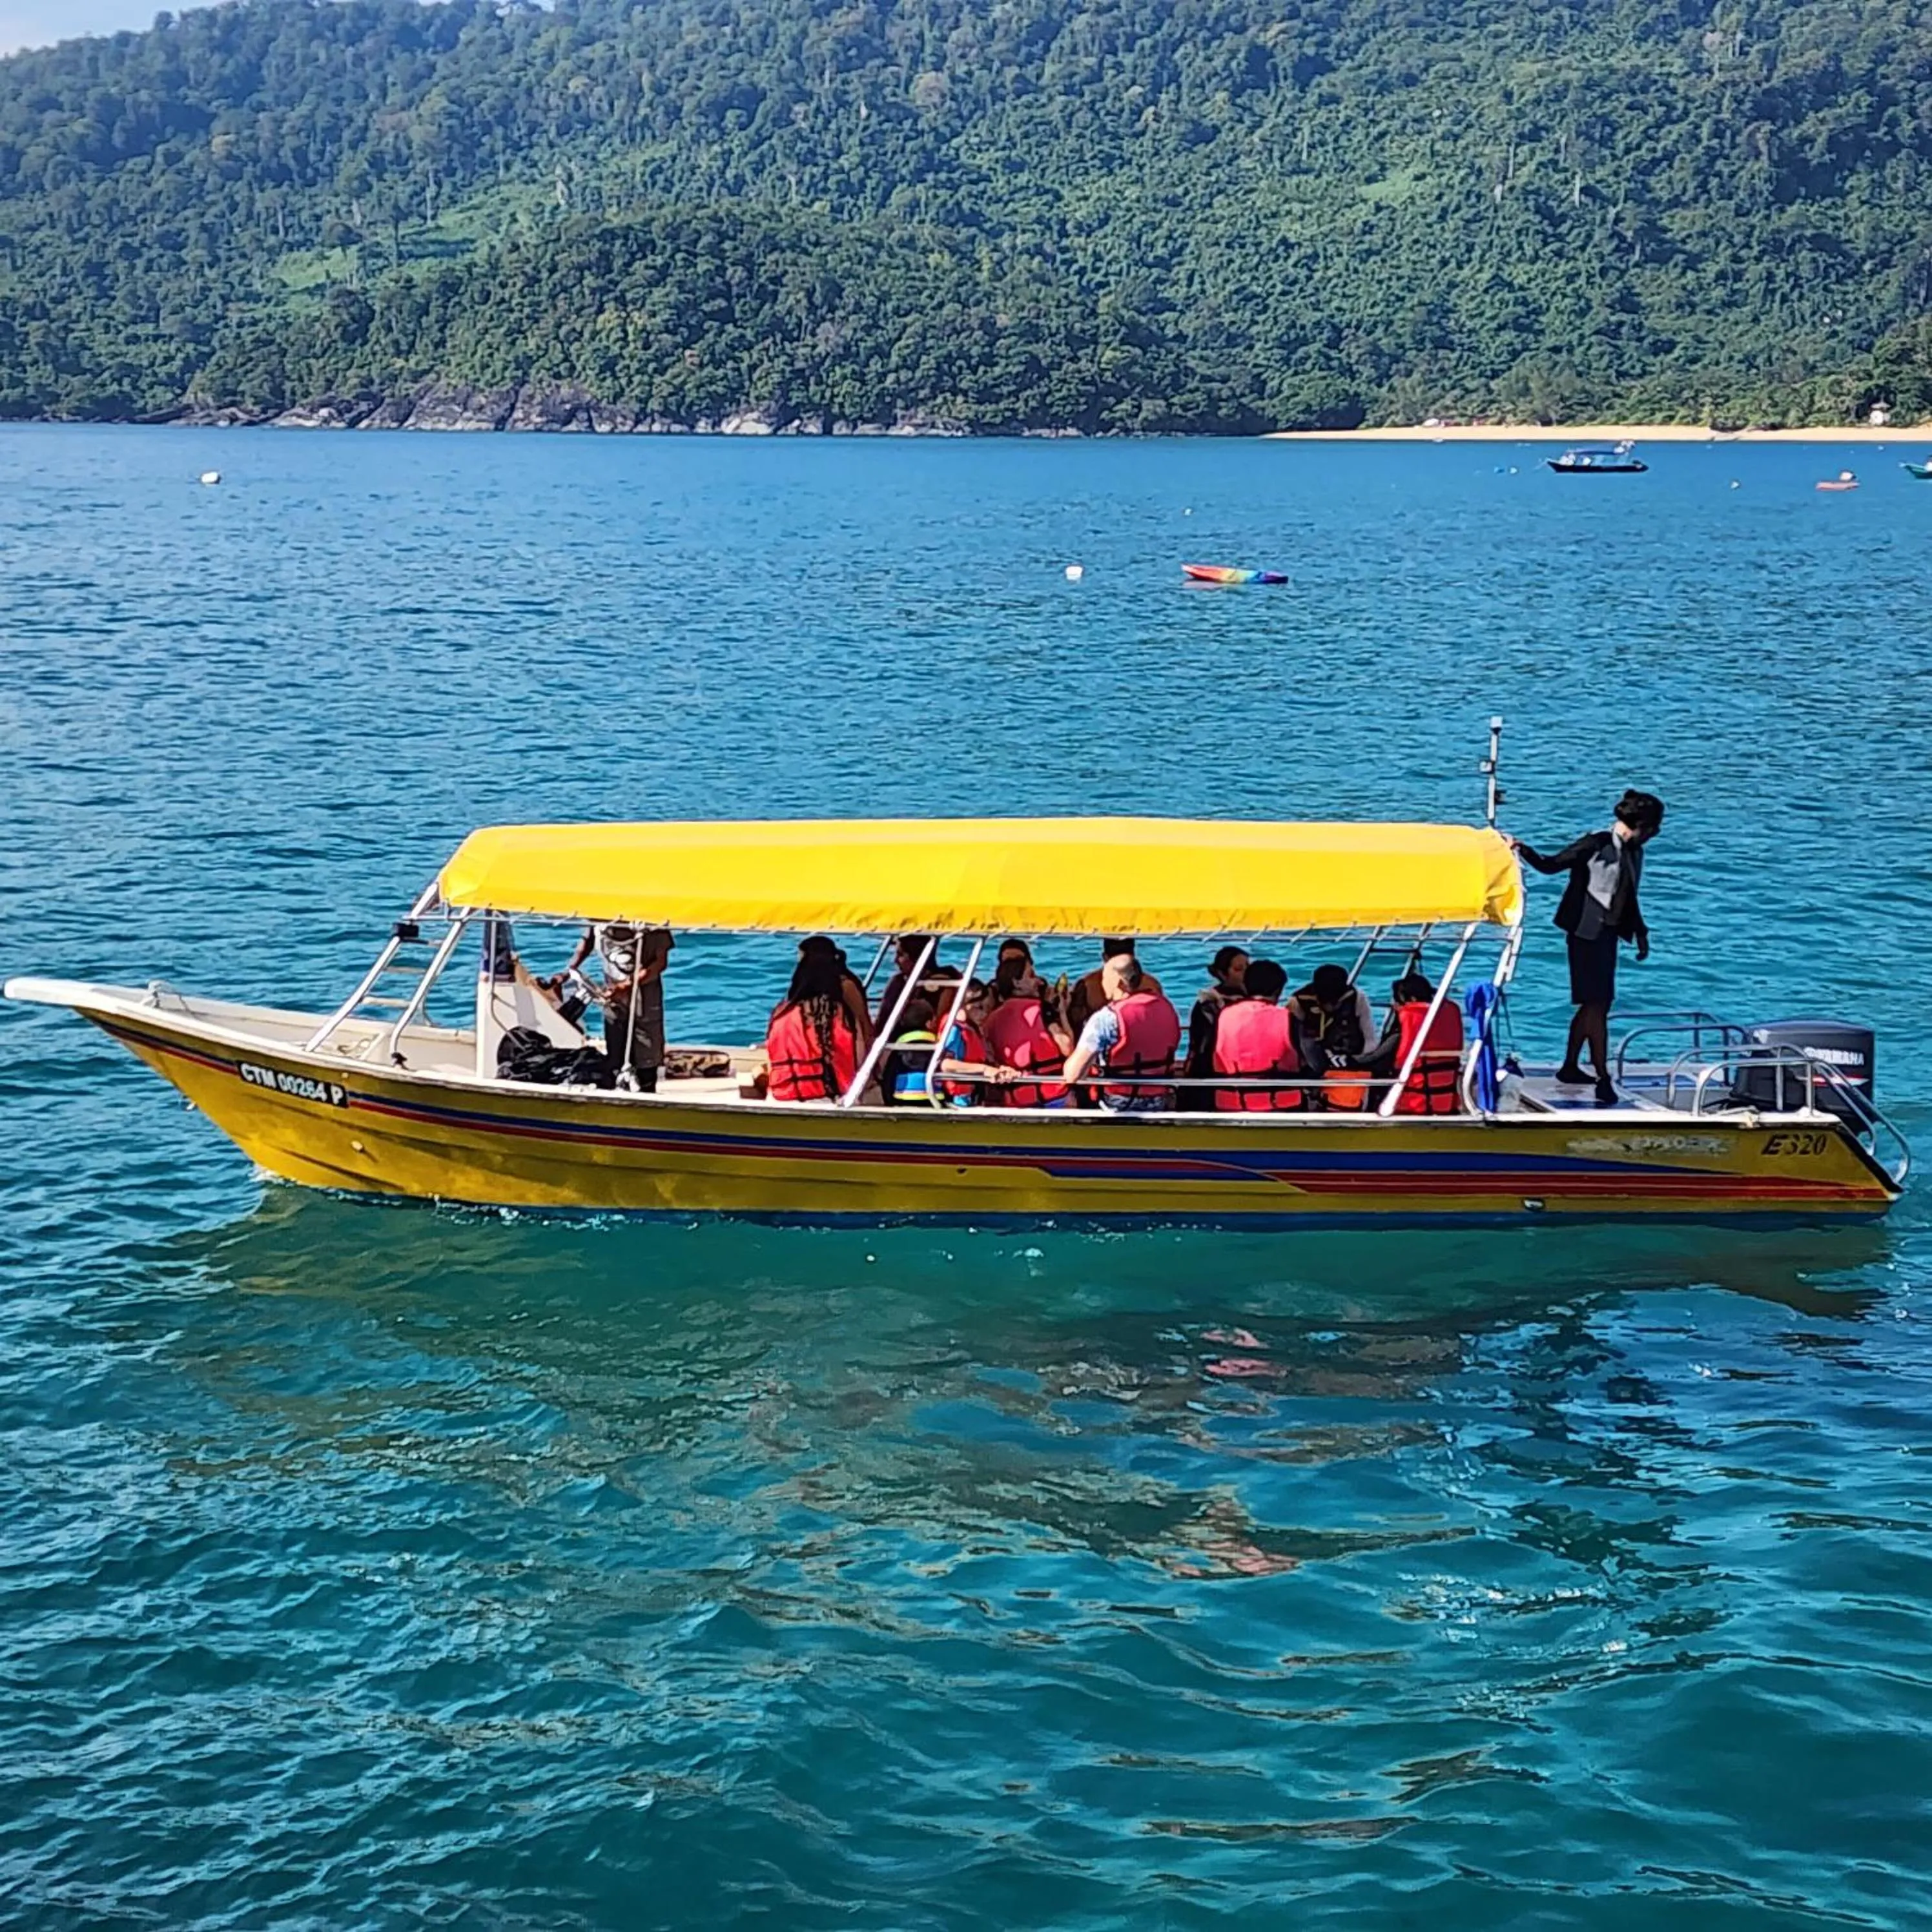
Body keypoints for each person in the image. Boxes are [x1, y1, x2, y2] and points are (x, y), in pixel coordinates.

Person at [1509, 788, 1665, 1105]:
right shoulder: (1595, 844)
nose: (1654, 835)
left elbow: (1629, 895)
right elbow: (1551, 865)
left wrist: (1641, 932)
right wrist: (1521, 848)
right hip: (1584, 934)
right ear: (1638, 826)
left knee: (1599, 1005)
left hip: (1607, 936)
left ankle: (1570, 1067)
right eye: (1652, 829)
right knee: (1597, 1005)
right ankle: (1602, 1076)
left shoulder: (1635, 852)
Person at [1061, 953, 1182, 1112]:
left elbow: (1072, 1075)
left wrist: (1062, 1014)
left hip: (1117, 1104)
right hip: (1159, 1100)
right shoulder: (1167, 1007)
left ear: (1117, 982)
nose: (1101, 984)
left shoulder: (1105, 1018)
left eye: (1104, 978)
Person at [563, 921, 673, 1090]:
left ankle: (647, 1091)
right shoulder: (599, 919)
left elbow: (660, 962)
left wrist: (626, 986)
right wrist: (567, 971)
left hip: (644, 1000)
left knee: (647, 1057)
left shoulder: (652, 922)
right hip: (613, 999)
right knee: (615, 1056)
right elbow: (586, 943)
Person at [766, 936, 863, 1102]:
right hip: (837, 1098)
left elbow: (772, 1059)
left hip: (782, 1098)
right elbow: (860, 1058)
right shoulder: (843, 1016)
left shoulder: (781, 1013)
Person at [883, 984, 1014, 1105]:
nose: (984, 1014)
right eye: (979, 1008)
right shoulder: (954, 1029)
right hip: (957, 1098)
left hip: (907, 1098)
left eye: (987, 1009)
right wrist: (985, 1069)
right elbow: (946, 1064)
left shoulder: (900, 1048)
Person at [1357, 971, 1466, 1114]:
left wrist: (1344, 1060)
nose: (1395, 1006)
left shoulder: (1407, 1025)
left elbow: (1378, 1060)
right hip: (1445, 1100)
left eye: (1398, 1002)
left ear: (1412, 1000)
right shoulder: (1448, 1015)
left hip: (1412, 1104)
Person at [983, 950, 1076, 1107]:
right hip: (1053, 1095)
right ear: (1016, 982)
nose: (1038, 982)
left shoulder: (991, 1019)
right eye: (1031, 976)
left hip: (1015, 1098)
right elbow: (1067, 1047)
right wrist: (1062, 1013)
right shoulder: (1043, 1010)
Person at [1208, 958, 1302, 1110]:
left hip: (1230, 1104)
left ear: (1245, 986)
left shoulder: (1224, 1016)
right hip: (1281, 1106)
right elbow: (1311, 1060)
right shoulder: (1287, 1018)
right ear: (1279, 990)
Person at [1181, 944, 1249, 1107]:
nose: (1247, 974)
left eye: (1248, 968)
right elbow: (1202, 1047)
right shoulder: (1208, 1004)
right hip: (1214, 1072)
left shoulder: (1254, 1000)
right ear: (1222, 973)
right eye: (1239, 969)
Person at [1067, 938, 1165, 1037]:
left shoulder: (1087, 986)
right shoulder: (1152, 985)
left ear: (1105, 958)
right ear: (1134, 956)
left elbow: (1076, 1027)